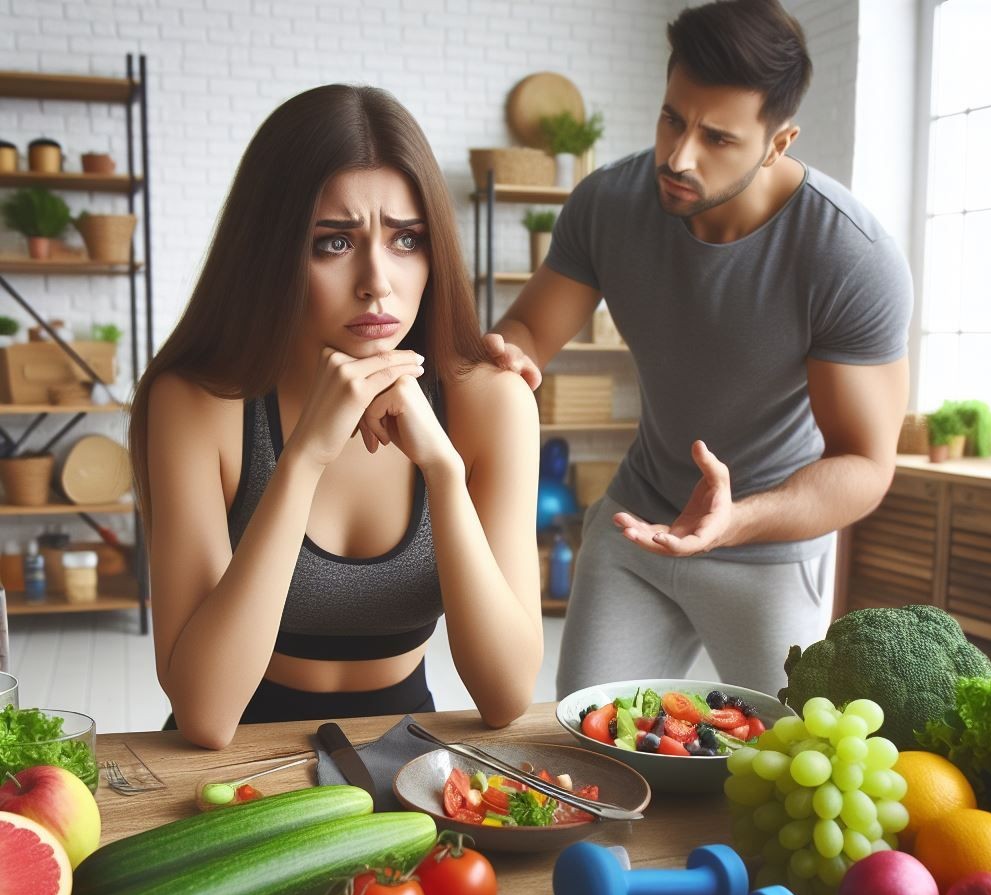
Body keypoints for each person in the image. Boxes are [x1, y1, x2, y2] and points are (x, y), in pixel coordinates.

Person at [485, 0, 913, 699]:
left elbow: (865, 463)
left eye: (718, 138)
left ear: (779, 142)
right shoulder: (609, 204)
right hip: (636, 522)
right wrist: (508, 364)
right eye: (672, 119)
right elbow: (527, 332)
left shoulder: (847, 255)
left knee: (792, 777)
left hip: (769, 549)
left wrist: (736, 521)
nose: (678, 157)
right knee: (590, 755)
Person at [129, 85, 542, 750]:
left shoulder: (490, 403)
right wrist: (303, 460)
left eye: (407, 238)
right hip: (230, 766)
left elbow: (505, 695)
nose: (378, 279)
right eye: (333, 243)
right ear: (272, 253)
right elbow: (206, 715)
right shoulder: (197, 401)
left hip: (405, 760)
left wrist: (442, 470)